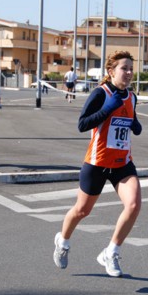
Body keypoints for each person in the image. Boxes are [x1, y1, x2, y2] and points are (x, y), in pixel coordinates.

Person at [53, 50, 142, 277]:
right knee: (82, 210)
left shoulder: (132, 97)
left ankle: (111, 252)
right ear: (111, 71)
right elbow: (82, 124)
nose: (129, 73)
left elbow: (132, 121)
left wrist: (135, 124)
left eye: (131, 68)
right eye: (125, 68)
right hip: (97, 162)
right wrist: (107, 109)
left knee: (133, 205)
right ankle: (62, 242)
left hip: (122, 163)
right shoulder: (100, 94)